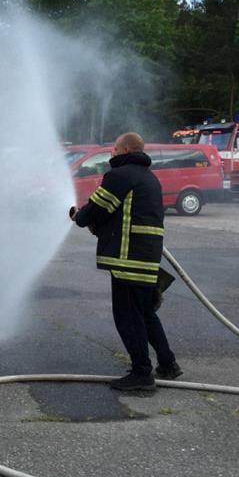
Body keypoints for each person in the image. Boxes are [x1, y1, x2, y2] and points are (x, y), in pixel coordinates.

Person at [70, 132, 182, 390]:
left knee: (127, 316)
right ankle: (168, 363)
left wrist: (79, 216)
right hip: (145, 257)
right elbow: (121, 214)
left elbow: (94, 210)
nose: (112, 153)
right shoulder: (149, 178)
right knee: (144, 313)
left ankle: (142, 374)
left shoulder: (120, 176)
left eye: (115, 149)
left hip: (127, 258)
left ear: (126, 150)